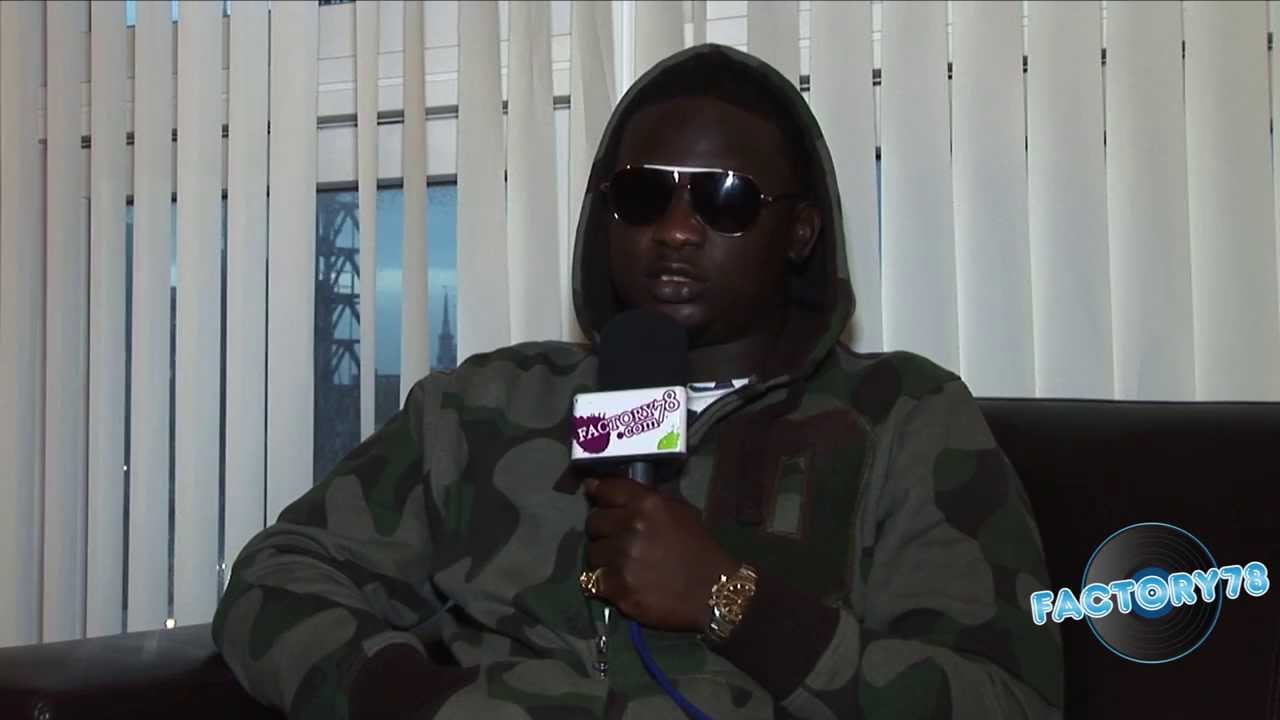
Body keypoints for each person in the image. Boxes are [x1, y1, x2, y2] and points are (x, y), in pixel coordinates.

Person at [213, 44, 1063, 719]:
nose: (677, 231)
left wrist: (732, 602)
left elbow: (1005, 700)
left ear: (800, 231)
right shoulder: (485, 408)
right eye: (643, 197)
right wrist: (417, 701)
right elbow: (274, 580)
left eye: (724, 199)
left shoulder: (905, 419)